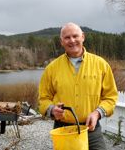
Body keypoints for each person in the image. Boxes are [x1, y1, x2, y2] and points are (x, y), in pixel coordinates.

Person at [38, 22, 118, 150]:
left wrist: (98, 113)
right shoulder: (51, 69)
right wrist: (52, 109)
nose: (72, 40)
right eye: (67, 37)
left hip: (91, 130)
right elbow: (43, 99)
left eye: (75, 36)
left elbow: (110, 97)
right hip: (62, 130)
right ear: (61, 42)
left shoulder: (101, 65)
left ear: (83, 37)